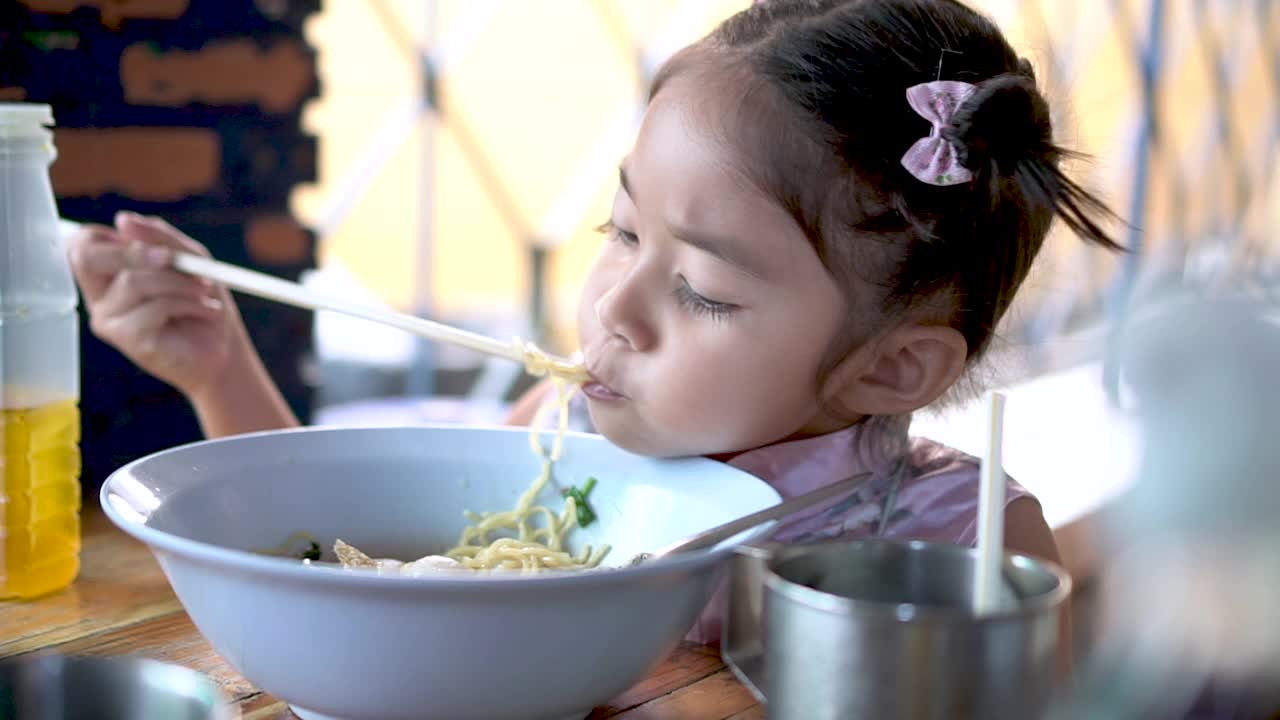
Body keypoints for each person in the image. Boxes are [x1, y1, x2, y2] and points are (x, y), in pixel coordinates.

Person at [69, 0, 1118, 655]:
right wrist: (215, 365)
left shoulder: (955, 543)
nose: (610, 307)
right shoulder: (560, 430)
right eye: (618, 231)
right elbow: (354, 570)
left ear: (891, 367)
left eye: (701, 288)